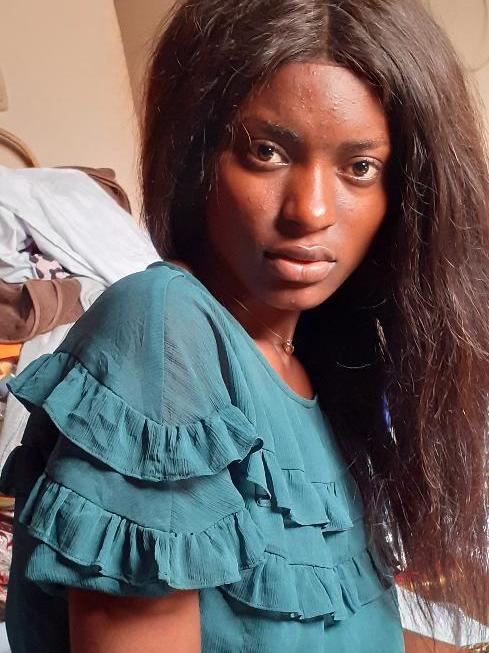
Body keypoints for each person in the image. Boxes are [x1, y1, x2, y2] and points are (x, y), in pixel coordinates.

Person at [2, 0, 488, 651]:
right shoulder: (163, 330)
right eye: (266, 152)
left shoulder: (315, 364)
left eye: (359, 167)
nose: (309, 210)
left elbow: (334, 632)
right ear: (199, 155)